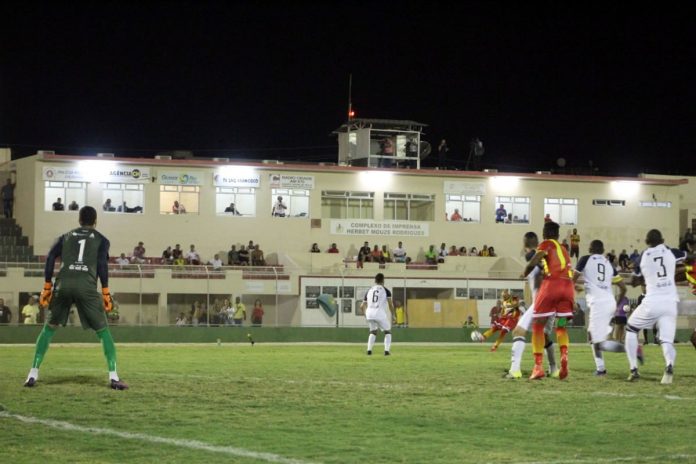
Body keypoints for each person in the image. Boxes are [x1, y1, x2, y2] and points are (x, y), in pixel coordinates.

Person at [24, 206, 127, 389]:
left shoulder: (65, 237)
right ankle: (113, 377)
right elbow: (102, 264)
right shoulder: (102, 240)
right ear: (95, 221)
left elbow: (50, 258)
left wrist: (47, 285)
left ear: (79, 220)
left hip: (63, 284)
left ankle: (32, 374)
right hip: (86, 287)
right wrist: (105, 291)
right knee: (103, 332)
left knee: (48, 329)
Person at [624, 229, 686, 384]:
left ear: (646, 242)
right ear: (663, 239)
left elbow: (633, 281)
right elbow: (689, 256)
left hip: (652, 301)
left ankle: (633, 369)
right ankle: (669, 365)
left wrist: (641, 279)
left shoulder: (643, 256)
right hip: (670, 303)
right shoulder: (672, 252)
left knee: (631, 329)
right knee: (666, 341)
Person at [523, 221, 574, 380]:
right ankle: (564, 355)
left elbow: (536, 258)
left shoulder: (546, 244)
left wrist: (525, 271)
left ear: (544, 233)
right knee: (561, 326)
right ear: (558, 235)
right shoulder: (565, 250)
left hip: (552, 286)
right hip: (567, 289)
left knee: (538, 326)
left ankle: (538, 367)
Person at [504, 231, 559, 379]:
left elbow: (540, 266)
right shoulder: (548, 257)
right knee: (544, 336)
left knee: (519, 331)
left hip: (541, 302)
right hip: (552, 304)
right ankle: (554, 369)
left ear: (524, 244)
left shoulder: (532, 256)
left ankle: (515, 370)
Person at [573, 239, 627, 375]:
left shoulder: (585, 259)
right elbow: (623, 288)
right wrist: (616, 302)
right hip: (609, 302)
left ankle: (630, 349)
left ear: (590, 249)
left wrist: (575, 286)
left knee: (595, 339)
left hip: (598, 303)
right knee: (596, 338)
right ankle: (601, 368)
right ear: (602, 250)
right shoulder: (608, 263)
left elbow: (572, 278)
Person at [361, 273, 395, 355]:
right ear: (383, 280)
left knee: (373, 332)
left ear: (375, 281)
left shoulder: (369, 290)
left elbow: (362, 306)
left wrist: (366, 315)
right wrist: (393, 315)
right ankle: (386, 351)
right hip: (379, 312)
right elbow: (390, 305)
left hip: (369, 313)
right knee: (387, 331)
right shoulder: (386, 291)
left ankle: (369, 350)